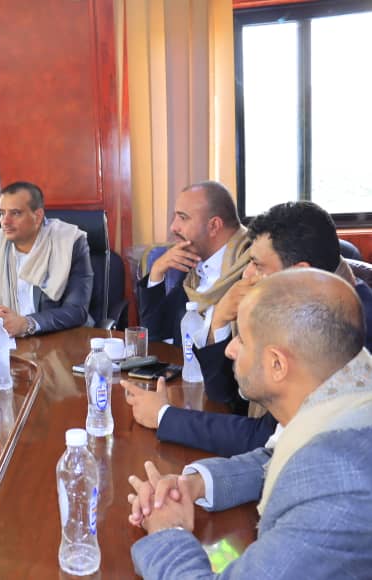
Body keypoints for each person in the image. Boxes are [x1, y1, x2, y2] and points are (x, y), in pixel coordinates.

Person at [126, 269, 372, 577]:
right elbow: (278, 457)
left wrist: (167, 531)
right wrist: (195, 484)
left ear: (277, 364)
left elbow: (310, 476)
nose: (230, 349)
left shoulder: (337, 488)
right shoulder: (346, 401)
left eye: (241, 338)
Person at [124, 201, 372, 457]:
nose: (246, 274)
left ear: (299, 272)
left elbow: (267, 436)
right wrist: (220, 320)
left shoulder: (347, 328)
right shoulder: (305, 303)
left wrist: (164, 416)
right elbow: (226, 397)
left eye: (258, 265)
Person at [0, 182, 94, 336]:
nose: (5, 221)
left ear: (38, 216)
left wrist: (27, 323)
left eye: (15, 213)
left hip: (59, 338)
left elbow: (76, 310)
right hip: (6, 340)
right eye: (2, 213)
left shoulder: (70, 243)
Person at [137, 181, 250, 346]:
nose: (173, 227)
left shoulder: (250, 270)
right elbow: (154, 335)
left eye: (183, 217)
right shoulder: (191, 268)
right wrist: (157, 271)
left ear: (214, 226)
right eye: (175, 217)